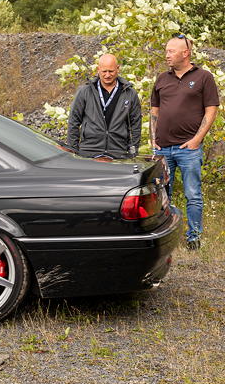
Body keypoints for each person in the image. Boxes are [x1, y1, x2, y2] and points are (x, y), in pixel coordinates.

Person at [150, 34, 220, 250]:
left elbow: (211, 110)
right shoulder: (162, 78)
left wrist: (197, 140)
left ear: (186, 53)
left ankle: (194, 238)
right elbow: (154, 112)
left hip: (189, 150)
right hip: (163, 149)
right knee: (162, 196)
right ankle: (165, 238)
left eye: (171, 51)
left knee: (193, 195)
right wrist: (154, 141)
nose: (167, 54)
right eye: (167, 50)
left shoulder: (203, 77)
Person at [67, 53, 142, 159]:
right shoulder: (85, 91)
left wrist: (132, 151)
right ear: (98, 69)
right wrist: (73, 151)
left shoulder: (130, 93)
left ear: (118, 69)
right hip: (89, 151)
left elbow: (135, 125)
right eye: (104, 71)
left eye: (111, 71)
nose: (107, 75)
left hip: (118, 152)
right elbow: (73, 122)